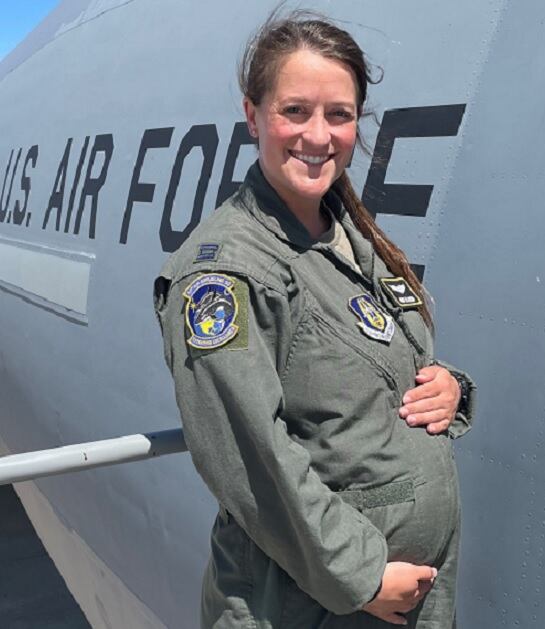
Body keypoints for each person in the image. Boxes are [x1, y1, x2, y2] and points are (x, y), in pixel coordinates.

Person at [153, 13, 476, 628]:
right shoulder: (223, 277)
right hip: (311, 603)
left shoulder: (348, 234)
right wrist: (360, 577)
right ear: (253, 116)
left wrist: (448, 387)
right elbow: (251, 457)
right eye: (295, 111)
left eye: (339, 114)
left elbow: (363, 359)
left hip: (394, 599)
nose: (318, 135)